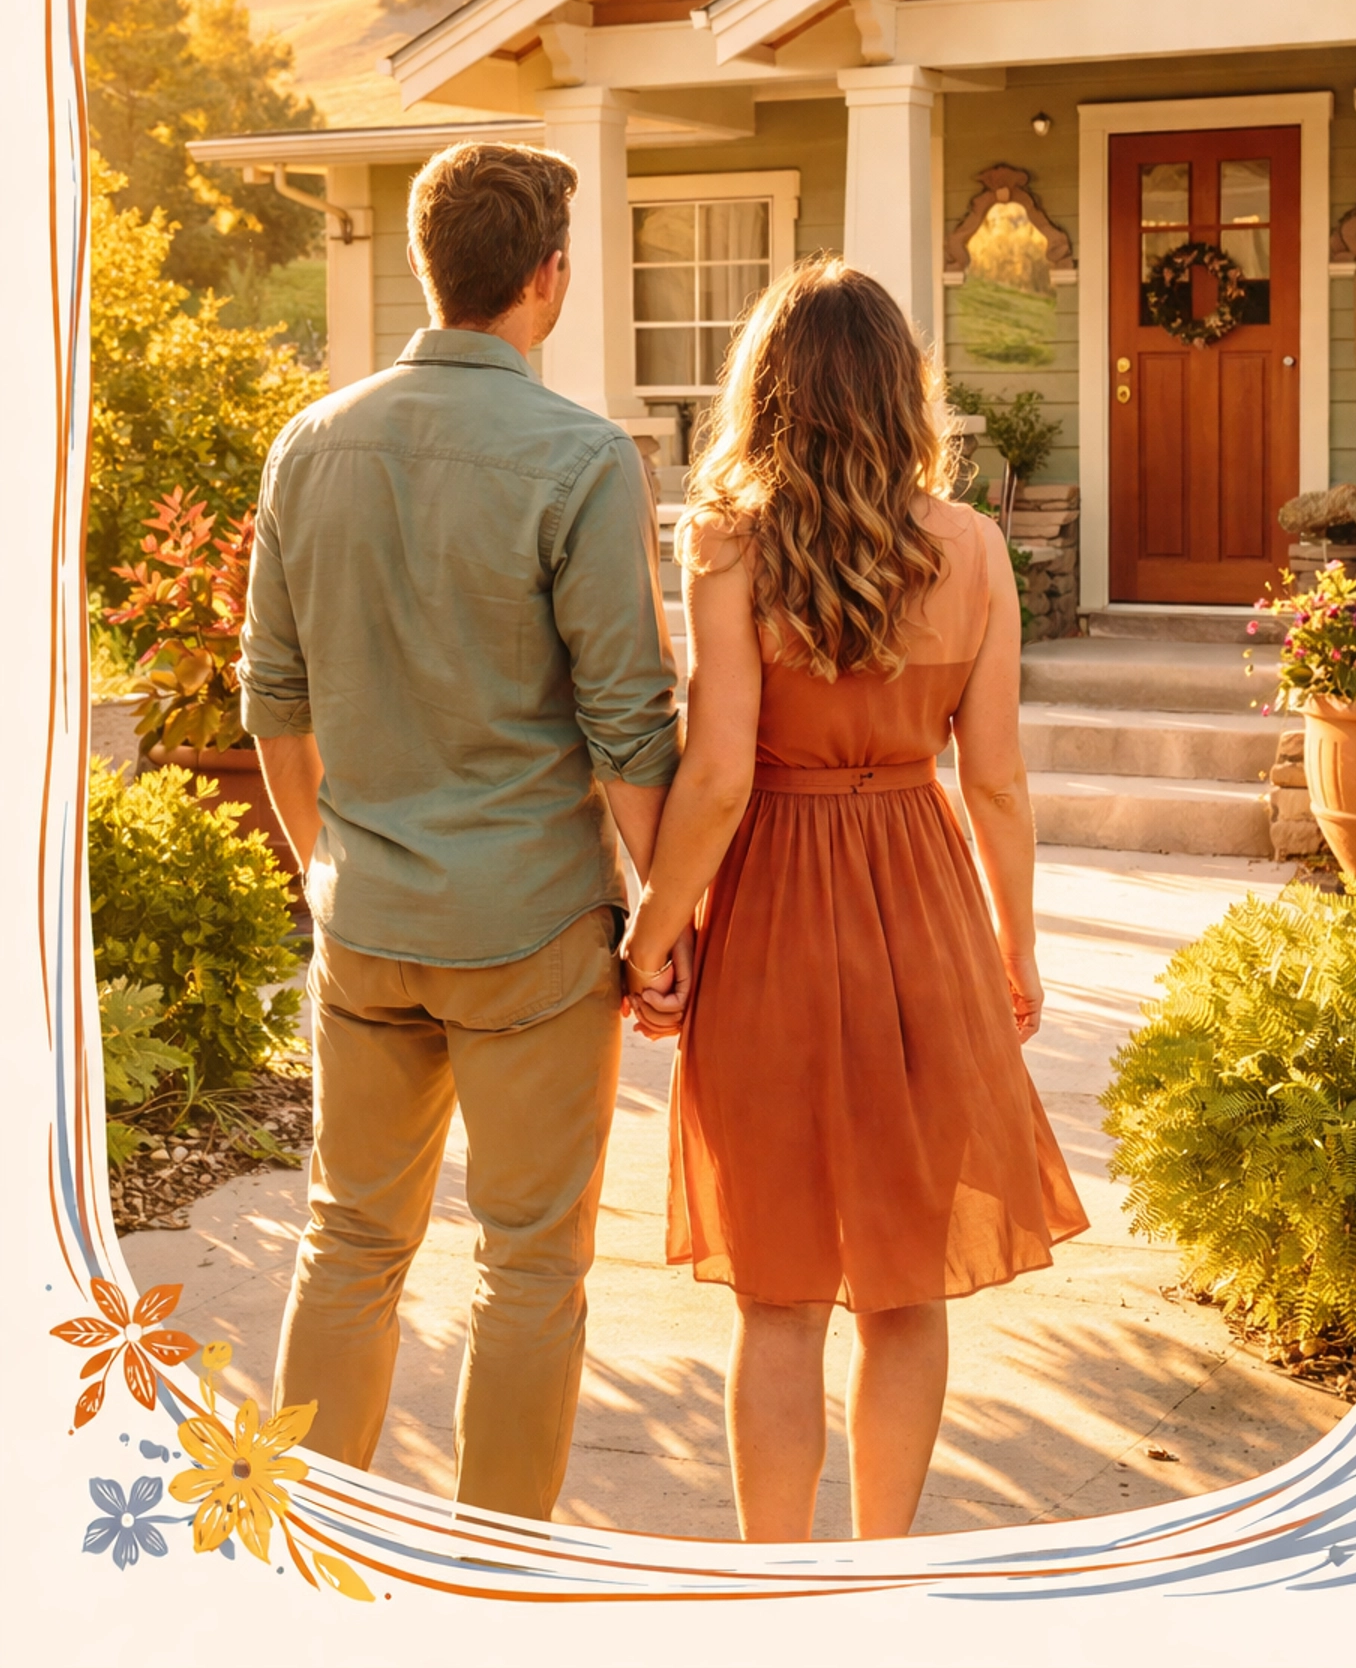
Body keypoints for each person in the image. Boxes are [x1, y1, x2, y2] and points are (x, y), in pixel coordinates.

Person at [240, 140, 686, 1521]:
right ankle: (500, 1583)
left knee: (348, 1242)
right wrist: (669, 920)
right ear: (547, 279)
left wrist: (327, 868)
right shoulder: (579, 457)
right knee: (532, 1267)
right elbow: (628, 727)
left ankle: (305, 1566)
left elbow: (272, 700)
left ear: (435, 267)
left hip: (366, 924)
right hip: (532, 935)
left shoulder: (309, 443)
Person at [619, 258, 1088, 1543]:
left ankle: (778, 1590)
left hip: (774, 905)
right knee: (903, 1291)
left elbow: (715, 777)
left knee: (777, 1298)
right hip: (923, 914)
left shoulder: (725, 541)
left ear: (764, 391)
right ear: (904, 391)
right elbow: (993, 783)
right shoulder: (978, 548)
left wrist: (650, 939)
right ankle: (881, 1578)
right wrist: (1017, 944)